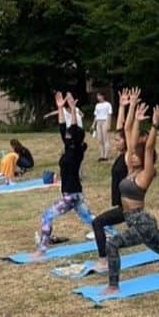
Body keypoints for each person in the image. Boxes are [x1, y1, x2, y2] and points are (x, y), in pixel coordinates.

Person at [99, 95, 159, 294]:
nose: (133, 156)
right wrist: (136, 118)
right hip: (133, 221)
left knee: (112, 244)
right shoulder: (130, 170)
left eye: (137, 154)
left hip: (141, 222)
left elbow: (149, 148)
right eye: (132, 154)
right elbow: (129, 135)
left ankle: (113, 286)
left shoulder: (145, 175)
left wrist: (154, 125)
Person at [30, 92, 93, 257]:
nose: (66, 135)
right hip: (74, 193)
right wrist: (60, 109)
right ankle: (113, 234)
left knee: (47, 216)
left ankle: (41, 250)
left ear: (75, 138)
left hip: (71, 195)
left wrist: (72, 110)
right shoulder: (69, 146)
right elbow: (63, 128)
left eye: (69, 135)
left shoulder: (77, 150)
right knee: (90, 219)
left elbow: (72, 127)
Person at [93, 92, 113, 162]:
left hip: (105, 121)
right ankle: (101, 155)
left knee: (105, 139)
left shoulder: (108, 104)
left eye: (99, 96)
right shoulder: (97, 105)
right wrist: (93, 124)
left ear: (103, 96)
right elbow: (96, 115)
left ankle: (106, 156)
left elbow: (109, 115)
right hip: (98, 122)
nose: (98, 97)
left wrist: (108, 124)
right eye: (97, 96)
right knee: (100, 140)